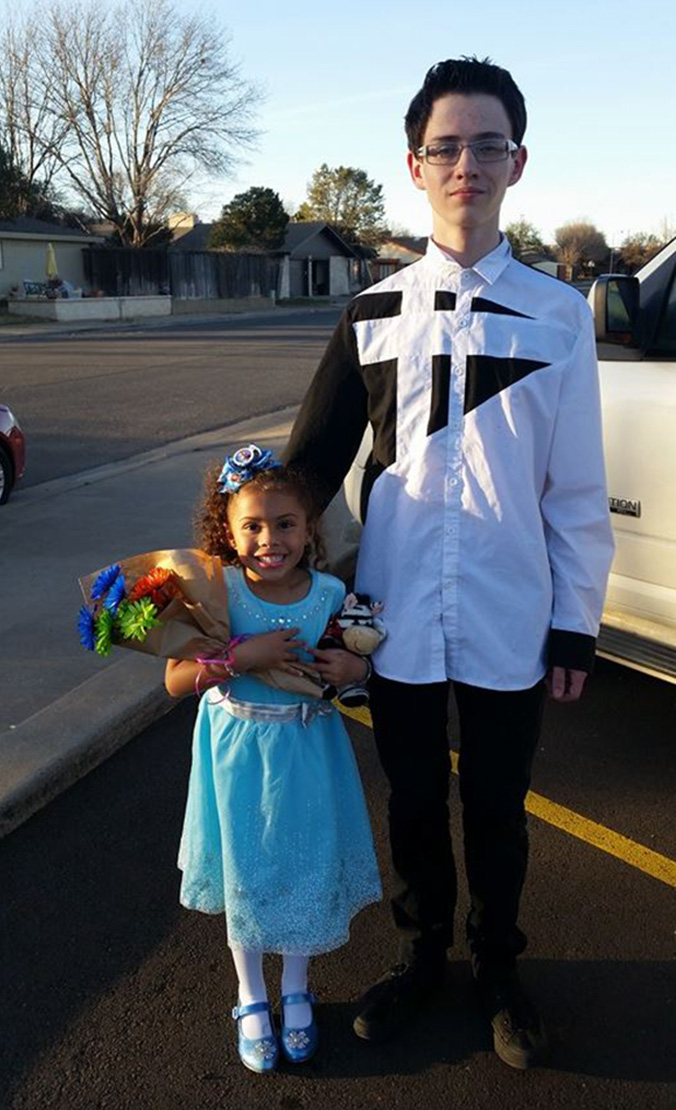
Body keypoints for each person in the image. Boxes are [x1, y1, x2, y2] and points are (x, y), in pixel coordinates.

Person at [283, 57, 615, 1069]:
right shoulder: (371, 314)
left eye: (484, 145)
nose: (464, 163)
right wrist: (233, 576)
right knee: (416, 801)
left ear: (515, 161)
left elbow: (574, 491)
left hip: (515, 613)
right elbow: (303, 472)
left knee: (497, 807)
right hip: (394, 618)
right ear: (414, 166)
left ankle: (498, 967)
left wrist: (576, 623)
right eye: (444, 147)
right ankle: (423, 956)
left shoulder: (559, 317)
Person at [164, 444, 381, 1074]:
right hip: (235, 754)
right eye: (252, 526)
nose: (269, 539)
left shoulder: (331, 592)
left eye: (285, 523)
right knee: (247, 869)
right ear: (226, 532)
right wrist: (241, 657)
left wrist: (358, 666)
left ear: (310, 527)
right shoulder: (216, 591)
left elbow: (351, 659)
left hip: (308, 749)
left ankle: (296, 983)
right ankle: (250, 992)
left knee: (302, 863)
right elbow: (177, 680)